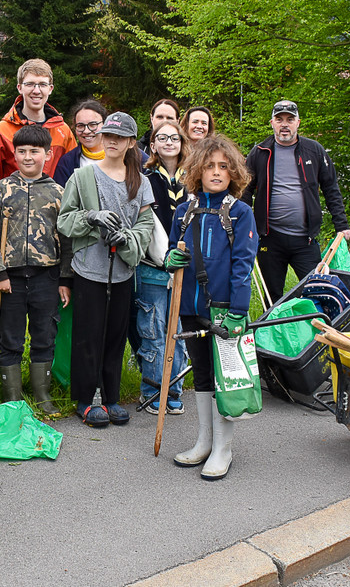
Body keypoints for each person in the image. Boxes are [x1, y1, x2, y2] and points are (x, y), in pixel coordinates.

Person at [164, 134, 257, 481]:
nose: (216, 172)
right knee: (202, 374)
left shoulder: (240, 213)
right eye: (209, 166)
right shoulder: (184, 211)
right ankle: (204, 442)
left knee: (226, 380)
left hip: (224, 309)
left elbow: (242, 265)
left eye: (223, 166)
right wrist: (169, 259)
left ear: (233, 172)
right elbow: (174, 251)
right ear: (197, 171)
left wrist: (238, 310)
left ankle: (223, 449)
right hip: (189, 305)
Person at [58, 112, 154, 428]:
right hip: (88, 271)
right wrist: (91, 217)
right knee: (88, 336)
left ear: (130, 142)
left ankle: (111, 398)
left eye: (120, 137)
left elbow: (146, 223)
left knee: (115, 336)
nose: (112, 141)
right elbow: (64, 220)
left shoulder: (140, 181)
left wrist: (126, 238)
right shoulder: (82, 177)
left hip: (123, 270)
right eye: (108, 135)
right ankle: (86, 401)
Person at [0, 124, 72, 416]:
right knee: (10, 338)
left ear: (47, 155)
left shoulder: (58, 192)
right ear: (14, 154)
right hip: (11, 279)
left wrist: (65, 279)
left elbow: (68, 240)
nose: (28, 157)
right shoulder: (2, 189)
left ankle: (42, 393)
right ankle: (12, 398)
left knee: (45, 334)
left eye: (35, 151)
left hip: (47, 276)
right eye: (22, 151)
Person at [242, 100, 350, 303]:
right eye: (279, 119)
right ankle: (272, 332)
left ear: (298, 122)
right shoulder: (259, 152)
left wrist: (342, 225)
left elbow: (331, 189)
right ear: (272, 123)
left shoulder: (315, 151)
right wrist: (243, 227)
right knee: (271, 297)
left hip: (305, 240)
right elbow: (245, 192)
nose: (285, 124)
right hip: (269, 240)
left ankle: (315, 332)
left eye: (290, 119)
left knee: (317, 292)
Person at [135, 120, 189, 414]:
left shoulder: (192, 180)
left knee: (177, 332)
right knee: (153, 331)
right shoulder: (144, 179)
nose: (169, 142)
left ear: (182, 143)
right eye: (162, 138)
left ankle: (175, 389)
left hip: (185, 269)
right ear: (152, 145)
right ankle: (153, 391)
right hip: (153, 267)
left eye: (175, 137)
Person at [0, 58, 77, 180]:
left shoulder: (63, 131)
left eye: (42, 84)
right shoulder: (1, 131)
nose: (36, 91)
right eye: (30, 84)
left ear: (50, 89)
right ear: (20, 88)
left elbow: (73, 176)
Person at [54, 99, 107, 186]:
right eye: (80, 126)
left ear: (105, 124)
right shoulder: (67, 163)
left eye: (93, 125)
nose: (86, 131)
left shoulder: (125, 156)